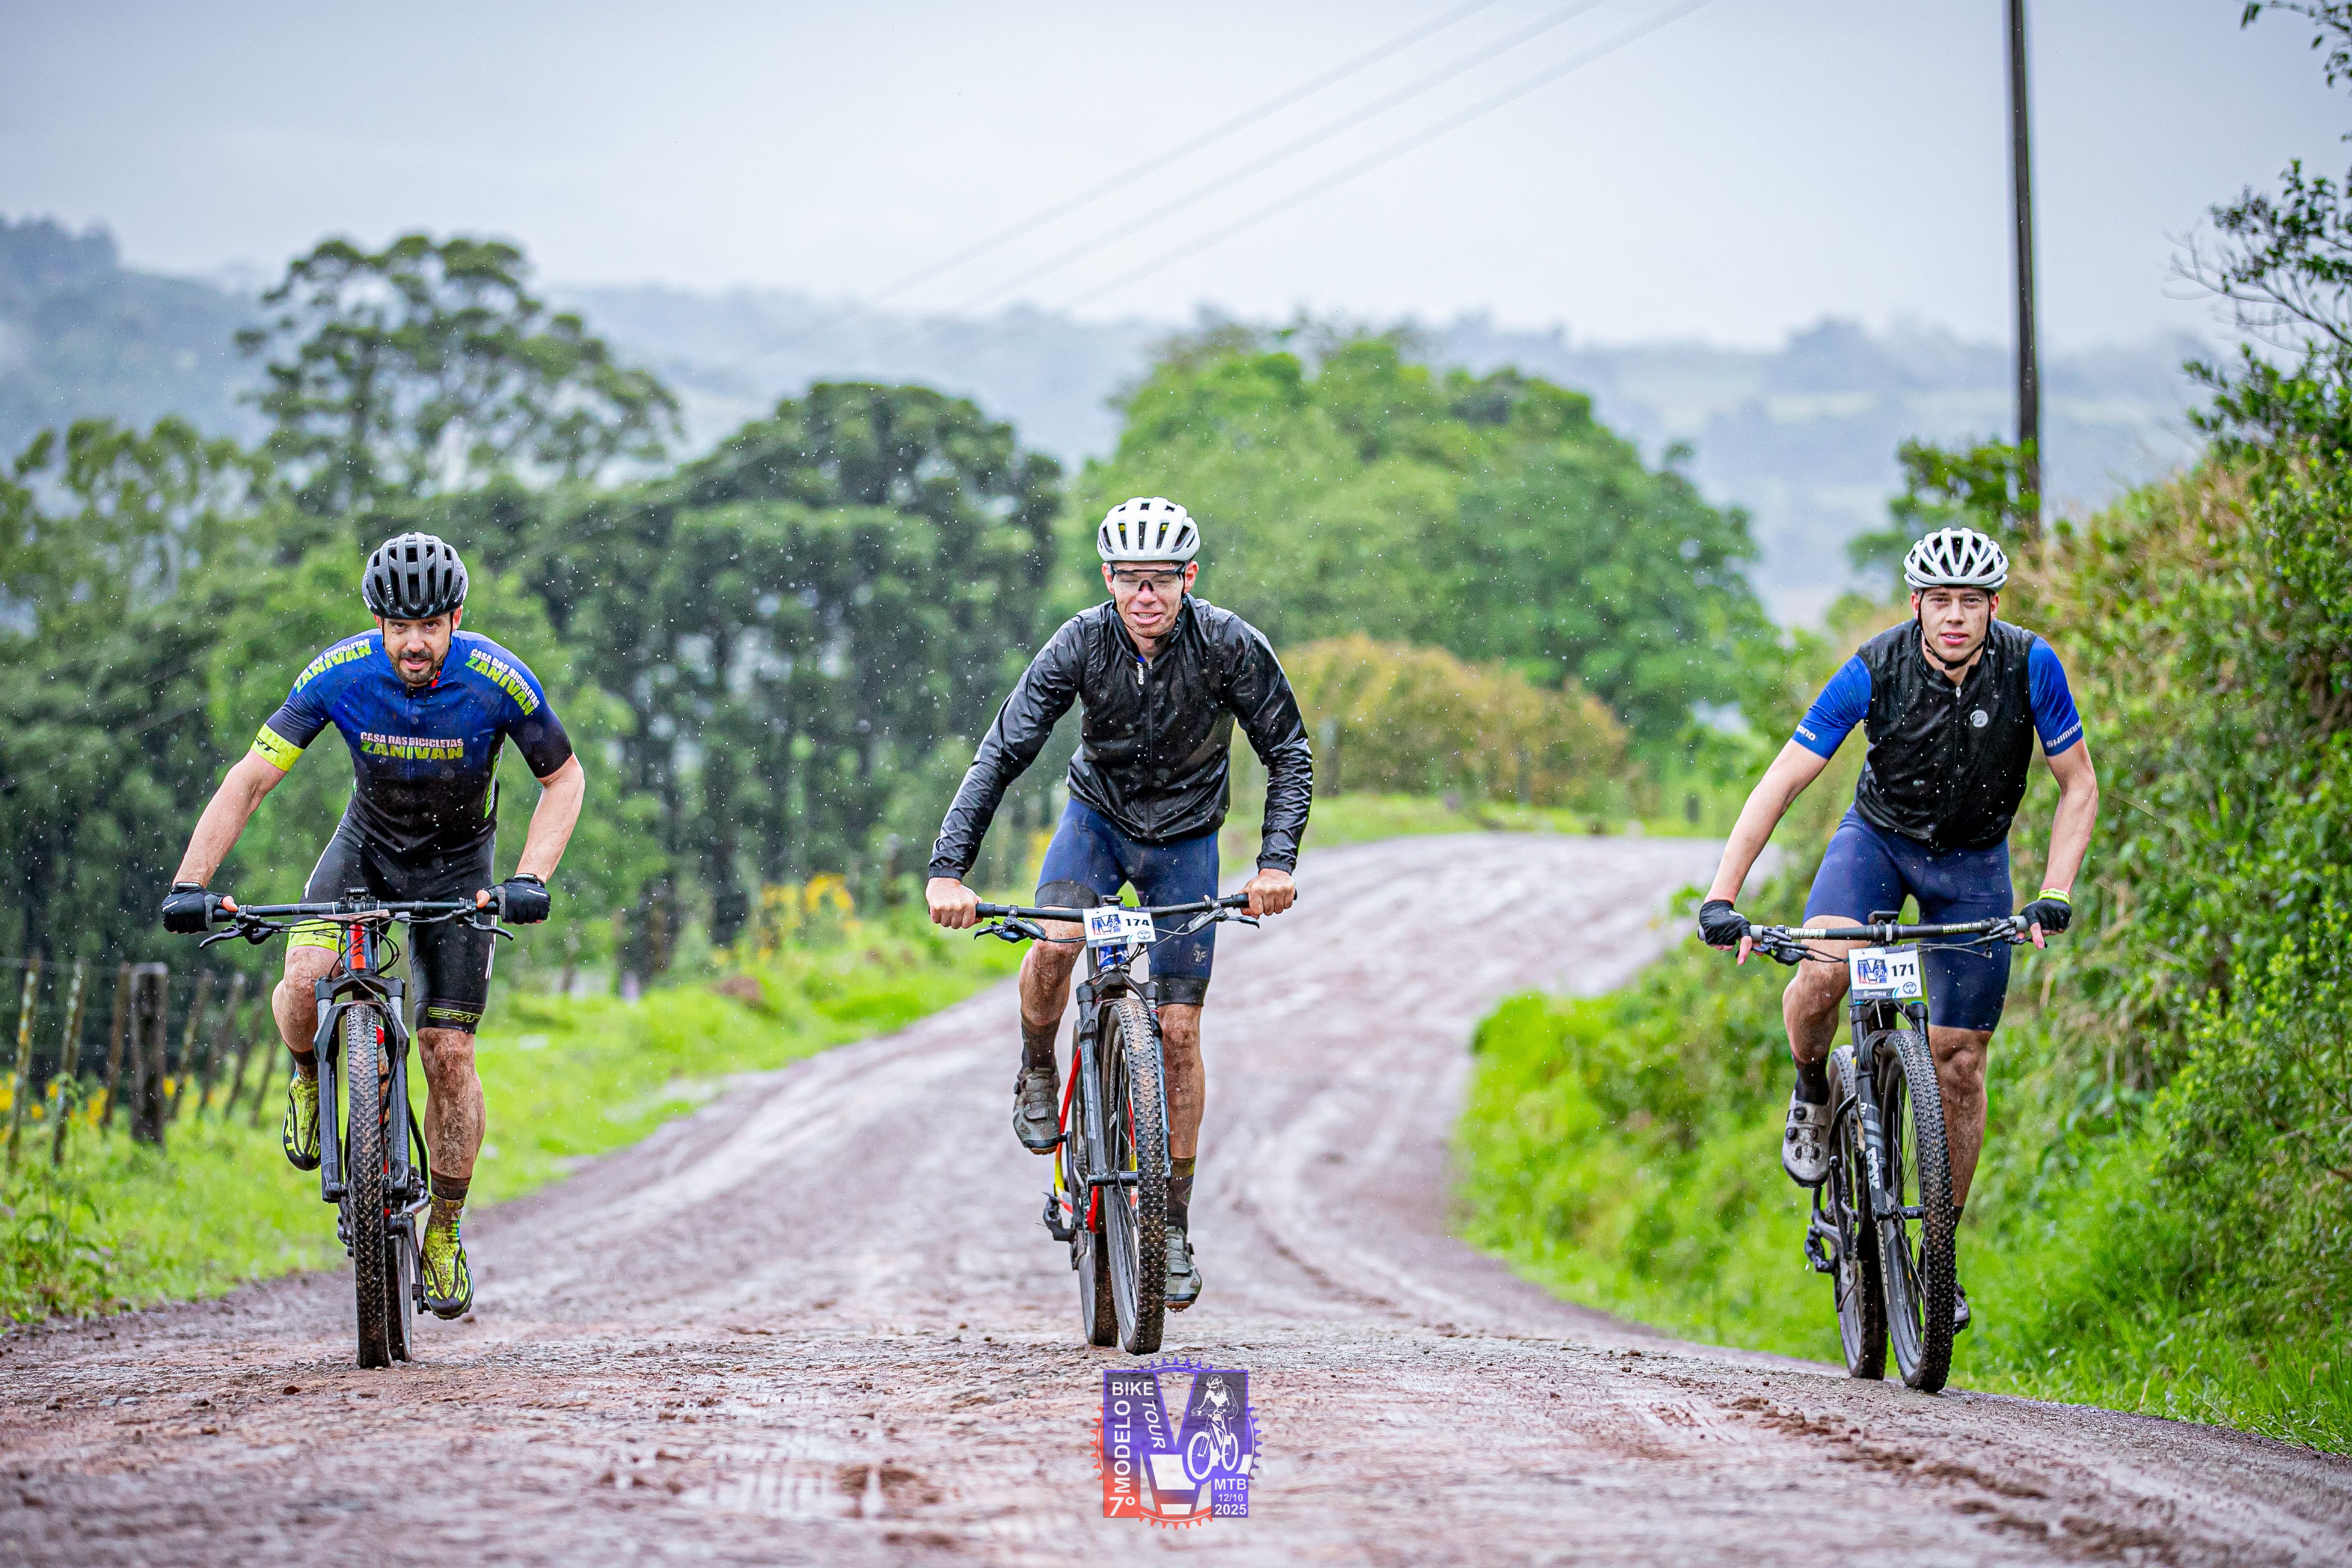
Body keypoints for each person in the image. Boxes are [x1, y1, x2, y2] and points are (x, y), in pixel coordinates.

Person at [162, 533, 585, 1320]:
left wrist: (530, 877)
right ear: (379, 623)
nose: (413, 643)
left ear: (456, 619)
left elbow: (564, 778)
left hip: (460, 869)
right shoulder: (339, 674)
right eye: (399, 626)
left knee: (448, 1054)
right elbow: (251, 780)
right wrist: (192, 882)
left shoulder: (499, 680)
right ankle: (306, 1076)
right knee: (303, 979)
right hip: (366, 855)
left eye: (429, 626)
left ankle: (445, 1231)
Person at [1695, 525, 2097, 1333]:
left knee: (1961, 1063)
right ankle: (1813, 1085)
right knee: (1824, 969)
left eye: (1971, 601)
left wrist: (2054, 891)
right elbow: (1785, 778)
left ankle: (1937, 1256)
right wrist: (1722, 895)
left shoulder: (2031, 666)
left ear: (1993, 608)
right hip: (1876, 845)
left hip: (1973, 864)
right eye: (1940, 601)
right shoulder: (1875, 667)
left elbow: (2079, 785)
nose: (1956, 616)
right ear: (1916, 604)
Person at [925, 496, 1312, 1311]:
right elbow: (1002, 753)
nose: (1146, 596)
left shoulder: (1230, 646)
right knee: (1056, 944)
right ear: (1108, 580)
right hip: (1095, 826)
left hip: (1186, 842)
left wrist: (1276, 863)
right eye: (1131, 579)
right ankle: (1038, 1066)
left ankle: (1171, 1226)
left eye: (1161, 580)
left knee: (1179, 1030)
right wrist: (947, 872)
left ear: (1188, 578)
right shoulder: (1080, 643)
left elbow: (1289, 751)